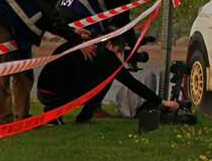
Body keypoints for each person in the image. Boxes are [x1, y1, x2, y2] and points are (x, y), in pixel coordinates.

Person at [0, 0, 90, 124]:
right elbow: (52, 19)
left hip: (17, 27)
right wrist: (76, 40)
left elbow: (49, 19)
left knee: (24, 73)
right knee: (2, 72)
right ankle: (4, 120)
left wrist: (72, 32)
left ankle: (23, 117)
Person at [37, 35, 180, 124]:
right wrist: (161, 101)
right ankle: (77, 115)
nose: (120, 56)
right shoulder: (106, 57)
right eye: (119, 51)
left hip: (43, 89)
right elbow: (132, 83)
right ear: (110, 45)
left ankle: (58, 113)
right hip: (55, 95)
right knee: (107, 78)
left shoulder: (86, 42)